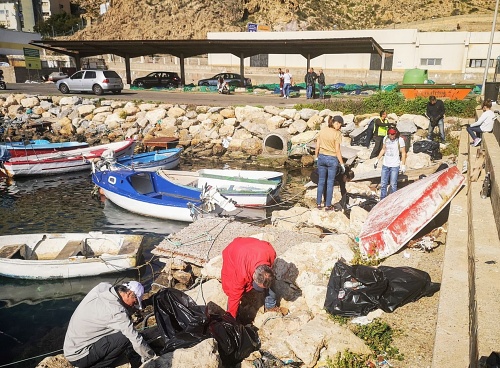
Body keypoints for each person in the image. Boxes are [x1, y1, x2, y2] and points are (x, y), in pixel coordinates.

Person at [64, 281, 155, 368]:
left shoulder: (103, 287)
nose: (133, 306)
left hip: (71, 347)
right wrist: (151, 358)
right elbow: (135, 338)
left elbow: (118, 311)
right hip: (80, 356)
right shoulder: (116, 312)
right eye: (135, 302)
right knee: (125, 337)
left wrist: (131, 309)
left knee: (120, 332)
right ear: (129, 294)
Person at [221, 237, 284, 319]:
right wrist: (230, 319)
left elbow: (267, 276)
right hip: (233, 250)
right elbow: (234, 296)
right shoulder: (241, 273)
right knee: (232, 288)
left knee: (269, 284)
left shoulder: (270, 253)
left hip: (251, 247)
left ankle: (270, 306)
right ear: (253, 276)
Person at [315, 115, 346, 210]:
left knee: (321, 181)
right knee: (330, 183)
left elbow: (317, 146)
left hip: (321, 157)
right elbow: (337, 150)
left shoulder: (323, 130)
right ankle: (328, 205)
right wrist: (342, 164)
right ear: (336, 123)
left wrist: (316, 157)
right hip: (332, 159)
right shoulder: (337, 134)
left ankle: (318, 204)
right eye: (340, 125)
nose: (340, 127)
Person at [374, 127, 407, 200]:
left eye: (393, 134)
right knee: (383, 184)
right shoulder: (386, 138)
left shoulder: (400, 140)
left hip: (395, 165)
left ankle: (393, 200)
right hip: (385, 164)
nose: (392, 136)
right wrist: (377, 159)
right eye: (390, 134)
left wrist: (403, 165)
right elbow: (383, 149)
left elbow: (403, 153)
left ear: (396, 134)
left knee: (393, 184)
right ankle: (382, 199)